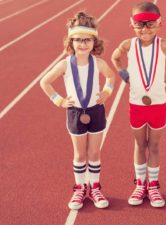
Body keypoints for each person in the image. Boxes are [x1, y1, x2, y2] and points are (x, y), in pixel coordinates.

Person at [111, 1, 166, 208]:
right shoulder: (128, 45)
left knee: (153, 145)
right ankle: (140, 184)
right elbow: (115, 57)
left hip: (158, 104)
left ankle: (153, 185)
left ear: (159, 23)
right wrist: (122, 73)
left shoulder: (165, 45)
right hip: (136, 104)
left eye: (151, 24)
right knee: (139, 144)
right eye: (140, 24)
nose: (145, 29)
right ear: (131, 24)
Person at [40, 12, 115, 210]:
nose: (83, 44)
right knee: (80, 155)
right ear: (71, 41)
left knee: (94, 153)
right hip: (75, 113)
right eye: (78, 40)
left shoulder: (98, 63)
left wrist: (107, 92)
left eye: (87, 40)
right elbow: (44, 82)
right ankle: (80, 188)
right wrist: (58, 100)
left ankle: (95, 187)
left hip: (96, 111)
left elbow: (111, 77)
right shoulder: (65, 64)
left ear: (94, 42)